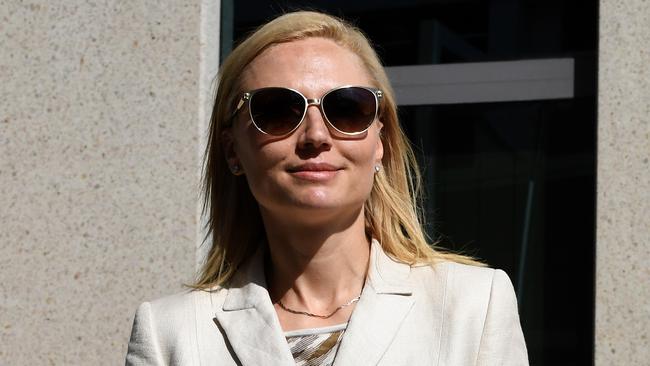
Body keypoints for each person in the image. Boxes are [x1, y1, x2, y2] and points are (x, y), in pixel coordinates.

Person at [125, 10, 528, 366]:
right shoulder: (170, 334)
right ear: (233, 149)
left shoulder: (473, 306)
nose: (316, 135)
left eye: (348, 108)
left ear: (379, 143)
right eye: (277, 110)